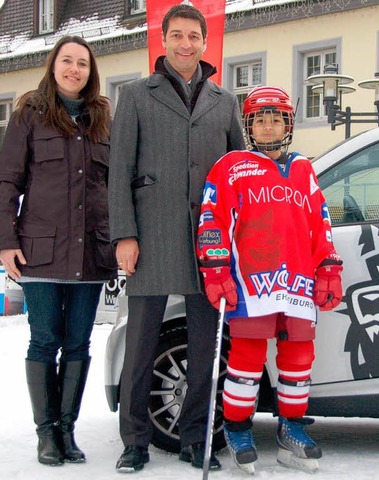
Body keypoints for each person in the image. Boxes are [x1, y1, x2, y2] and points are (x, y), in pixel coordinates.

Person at [108, 4, 245, 474]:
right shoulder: (134, 95)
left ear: (206, 43)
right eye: (177, 36)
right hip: (151, 238)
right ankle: (135, 442)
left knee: (206, 348)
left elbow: (239, 174)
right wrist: (124, 234)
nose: (186, 44)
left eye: (194, 36)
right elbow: (119, 173)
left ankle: (194, 437)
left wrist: (239, 235)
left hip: (210, 244)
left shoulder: (225, 101)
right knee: (141, 347)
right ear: (163, 40)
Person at [197, 85, 343, 474]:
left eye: (275, 118)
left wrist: (328, 266)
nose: (267, 125)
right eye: (258, 119)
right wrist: (216, 270)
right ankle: (238, 429)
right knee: (246, 358)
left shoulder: (303, 169)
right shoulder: (231, 166)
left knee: (299, 359)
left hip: (296, 281)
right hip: (252, 283)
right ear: (248, 125)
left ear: (288, 124)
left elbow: (320, 222)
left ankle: (290, 429)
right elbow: (212, 221)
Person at [0, 36, 116, 466]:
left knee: (79, 343)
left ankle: (67, 431)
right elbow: (7, 182)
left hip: (90, 252)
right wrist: (5, 241)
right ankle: (45, 433)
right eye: (66, 61)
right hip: (40, 252)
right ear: (53, 66)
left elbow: (115, 185)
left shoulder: (103, 118)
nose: (74, 69)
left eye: (82, 63)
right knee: (45, 341)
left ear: (90, 71)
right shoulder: (29, 114)